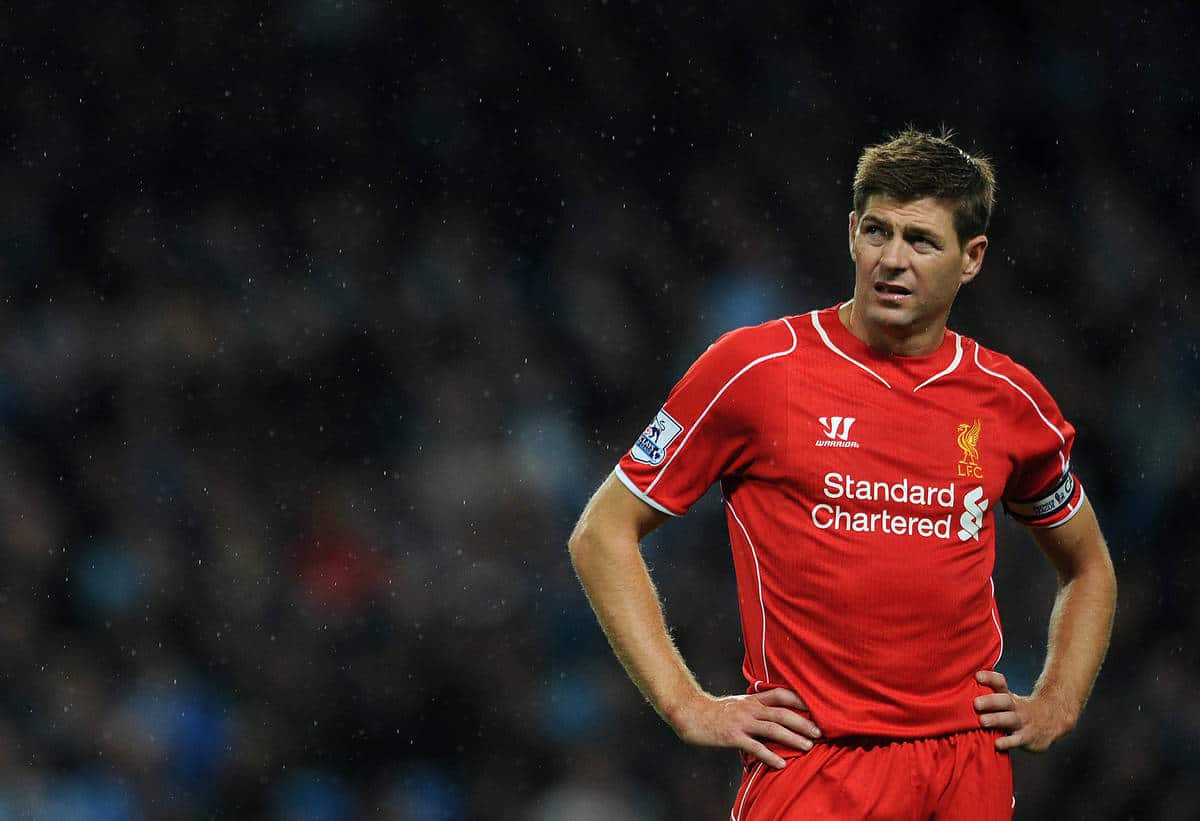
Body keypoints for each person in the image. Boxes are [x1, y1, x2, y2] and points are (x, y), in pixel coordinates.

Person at [567, 128, 1117, 820]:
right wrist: (687, 705)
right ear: (851, 232)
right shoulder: (754, 370)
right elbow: (602, 531)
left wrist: (1058, 702)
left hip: (964, 768)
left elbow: (1089, 566)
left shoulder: (1010, 401)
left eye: (921, 240)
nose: (892, 259)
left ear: (971, 258)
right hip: (814, 765)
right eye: (877, 231)